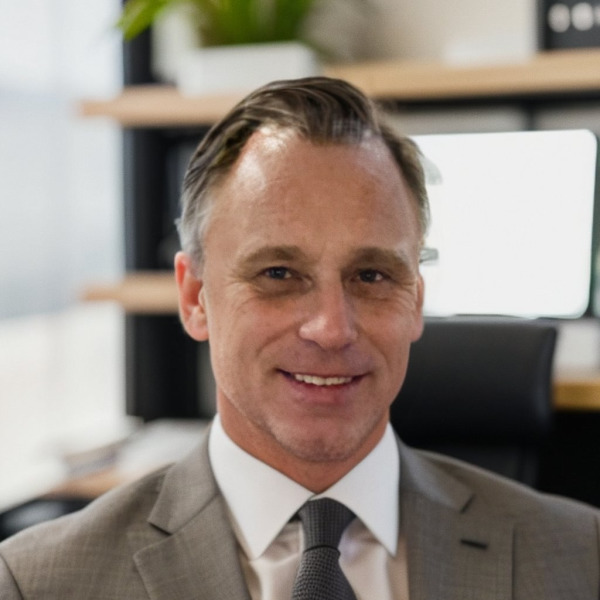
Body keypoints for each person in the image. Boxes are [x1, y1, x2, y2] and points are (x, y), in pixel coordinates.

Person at [0, 77, 599, 599]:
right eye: (278, 274)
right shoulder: (37, 583)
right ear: (195, 298)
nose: (332, 328)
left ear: (415, 301)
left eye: (372, 276)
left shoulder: (582, 558)